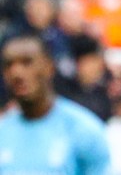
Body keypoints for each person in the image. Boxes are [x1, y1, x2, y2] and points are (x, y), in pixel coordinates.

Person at [0, 34, 111, 174]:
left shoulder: (84, 130)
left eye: (27, 62)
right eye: (8, 65)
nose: (16, 73)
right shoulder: (3, 130)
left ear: (49, 67)